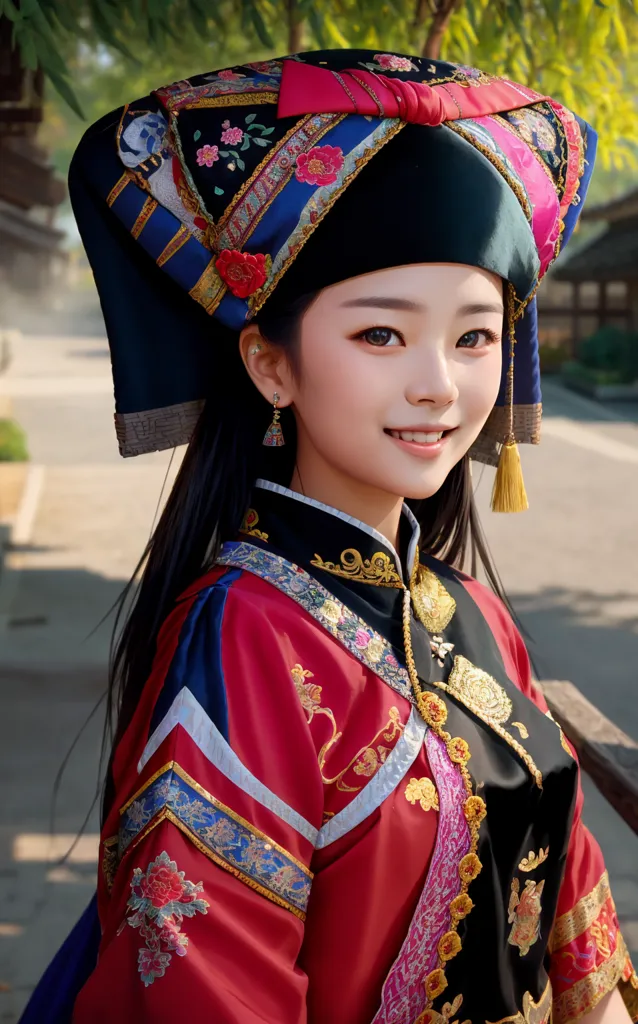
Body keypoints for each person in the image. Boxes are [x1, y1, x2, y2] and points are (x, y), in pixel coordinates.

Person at [21, 48, 638, 1024]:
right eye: (381, 336)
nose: (437, 383)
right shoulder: (241, 637)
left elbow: (567, 895)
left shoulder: (467, 608)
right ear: (270, 364)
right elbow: (207, 978)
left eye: (473, 336)